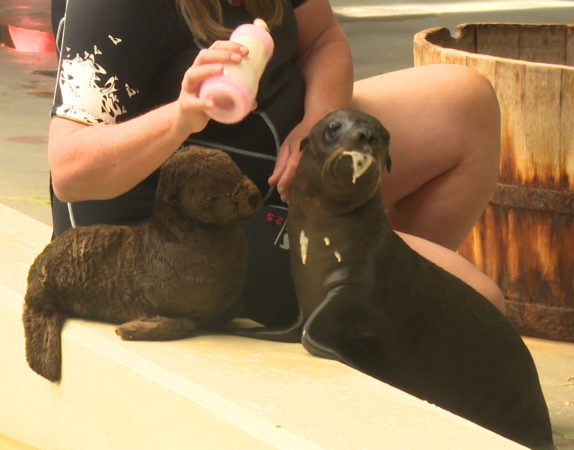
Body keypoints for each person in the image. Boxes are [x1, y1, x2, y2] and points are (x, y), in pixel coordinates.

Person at [47, 0, 504, 331]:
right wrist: (180, 117)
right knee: (477, 306)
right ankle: (368, 302)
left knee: (466, 105)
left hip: (269, 154)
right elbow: (70, 170)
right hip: (176, 230)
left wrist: (316, 124)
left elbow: (324, 40)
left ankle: (368, 313)